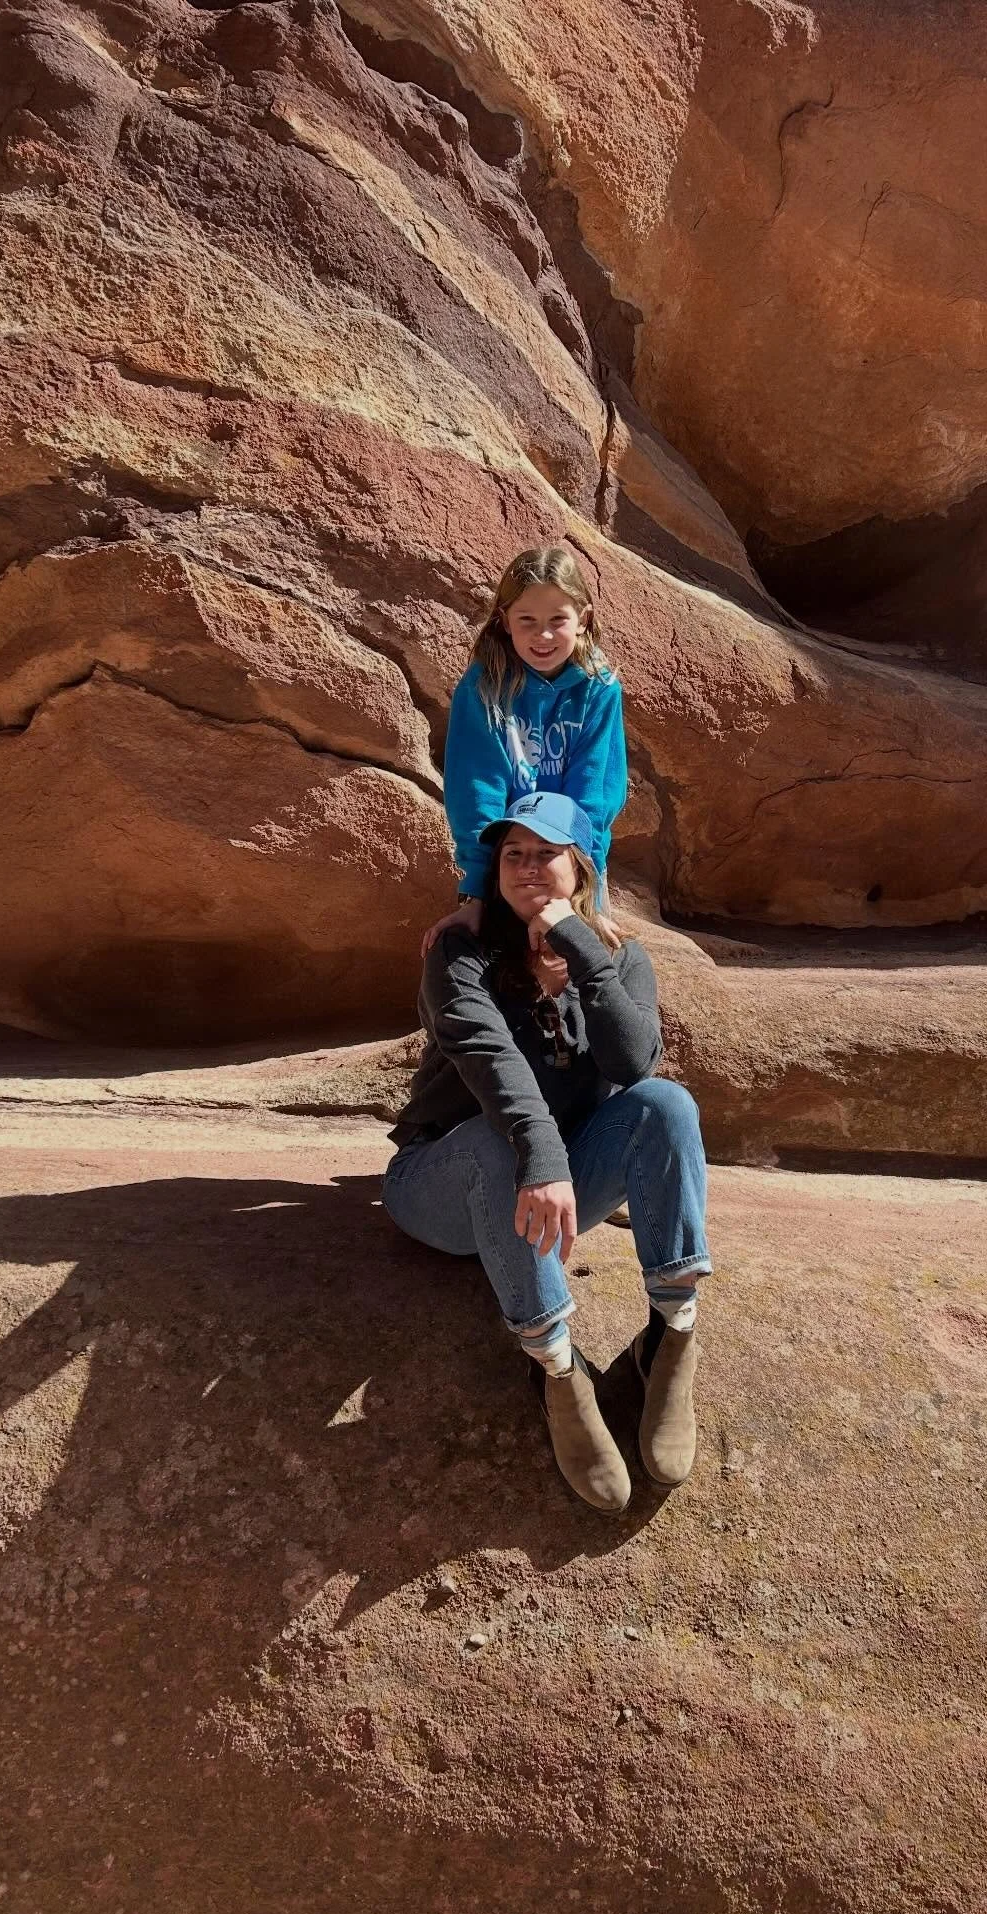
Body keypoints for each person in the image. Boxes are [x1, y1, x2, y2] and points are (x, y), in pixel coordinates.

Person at [384, 791, 711, 1513]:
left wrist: (588, 962)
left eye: (547, 853)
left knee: (668, 1105)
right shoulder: (460, 951)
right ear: (494, 868)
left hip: (549, 1194)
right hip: (445, 1181)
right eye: (513, 854)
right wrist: (545, 1158)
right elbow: (488, 1060)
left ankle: (671, 1337)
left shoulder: (621, 960)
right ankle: (558, 1370)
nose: (529, 867)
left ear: (581, 866)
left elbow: (634, 1067)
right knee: (498, 1142)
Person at [423, 545, 628, 952]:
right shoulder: (483, 689)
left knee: (582, 956)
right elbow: (477, 792)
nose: (544, 635)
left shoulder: (599, 688)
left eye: (558, 620)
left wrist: (590, 891)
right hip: (508, 854)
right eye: (527, 620)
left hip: (571, 855)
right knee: (490, 954)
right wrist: (476, 891)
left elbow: (595, 795)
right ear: (504, 621)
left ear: (583, 620)